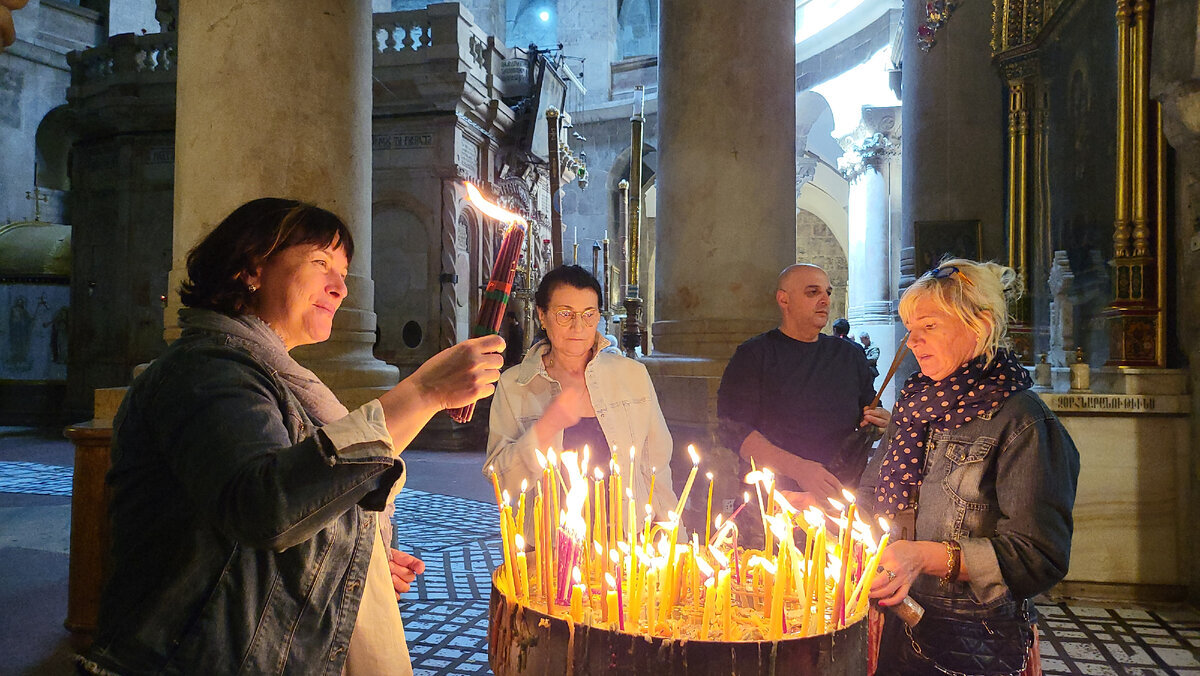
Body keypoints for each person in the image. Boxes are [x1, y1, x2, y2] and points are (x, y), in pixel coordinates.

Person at [80, 198, 504, 675]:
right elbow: (266, 506)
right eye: (320, 263)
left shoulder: (278, 378)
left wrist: (357, 554)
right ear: (250, 268)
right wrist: (424, 392)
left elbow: (309, 499)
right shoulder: (204, 371)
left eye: (342, 271)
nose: (341, 288)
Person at [866, 259, 1080, 675]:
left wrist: (923, 558)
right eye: (910, 328)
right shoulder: (914, 407)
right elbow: (871, 493)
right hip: (895, 627)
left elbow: (1039, 556)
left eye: (928, 326)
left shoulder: (1023, 421)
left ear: (979, 326)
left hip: (976, 642)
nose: (912, 341)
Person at [486, 265, 677, 523]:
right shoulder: (515, 385)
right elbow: (503, 483)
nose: (578, 326)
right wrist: (547, 427)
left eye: (588, 314)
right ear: (542, 315)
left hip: (626, 543)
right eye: (565, 314)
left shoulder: (632, 376)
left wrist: (674, 536)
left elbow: (656, 467)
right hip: (549, 546)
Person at [717, 264, 890, 506]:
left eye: (827, 293)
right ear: (784, 300)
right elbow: (734, 430)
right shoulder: (754, 355)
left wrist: (879, 420)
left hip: (838, 497)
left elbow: (870, 411)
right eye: (813, 292)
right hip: (773, 501)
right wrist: (800, 470)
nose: (825, 300)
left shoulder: (849, 354)